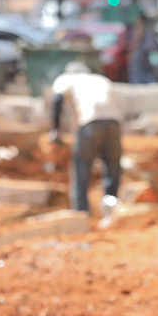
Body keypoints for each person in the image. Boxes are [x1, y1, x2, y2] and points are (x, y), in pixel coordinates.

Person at [49, 61, 125, 222]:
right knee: (112, 167)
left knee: (81, 167)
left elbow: (57, 100)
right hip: (114, 124)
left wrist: (55, 130)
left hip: (90, 124)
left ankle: (82, 213)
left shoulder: (67, 79)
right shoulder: (101, 79)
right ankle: (111, 209)